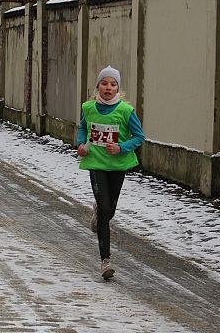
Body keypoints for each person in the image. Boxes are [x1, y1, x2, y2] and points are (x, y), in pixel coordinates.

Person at [77, 65, 145, 280]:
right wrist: (80, 144)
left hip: (117, 166)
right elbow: (82, 128)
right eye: (104, 83)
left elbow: (139, 136)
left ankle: (99, 213)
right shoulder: (88, 108)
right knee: (106, 209)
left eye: (113, 84)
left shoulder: (126, 111)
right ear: (98, 86)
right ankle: (105, 261)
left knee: (109, 211)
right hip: (96, 163)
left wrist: (121, 148)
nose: (108, 87)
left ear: (118, 88)